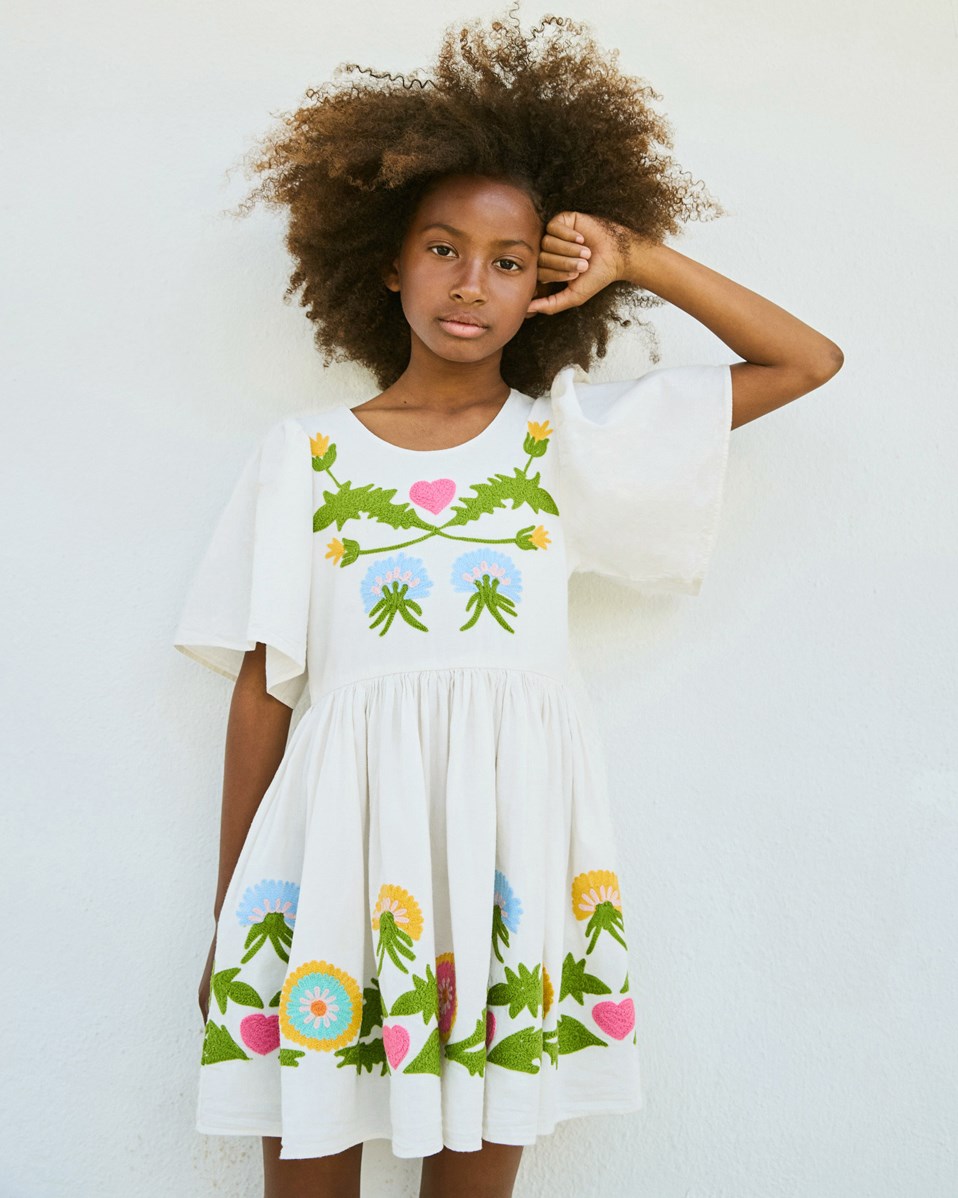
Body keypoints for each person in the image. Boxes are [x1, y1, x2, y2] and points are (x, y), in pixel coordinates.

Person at [172, 7, 843, 1197]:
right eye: (442, 248)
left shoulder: (560, 447)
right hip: (330, 863)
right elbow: (259, 695)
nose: (470, 283)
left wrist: (639, 258)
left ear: (548, 281)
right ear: (386, 260)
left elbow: (805, 362)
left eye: (509, 259)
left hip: (503, 868)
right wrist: (231, 918)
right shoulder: (307, 455)